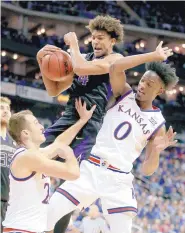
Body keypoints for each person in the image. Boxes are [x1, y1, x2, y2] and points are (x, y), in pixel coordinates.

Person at [46, 42, 178, 233]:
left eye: (149, 85)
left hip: (119, 179)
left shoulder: (158, 122)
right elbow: (115, 67)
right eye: (142, 80)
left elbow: (147, 169)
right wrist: (152, 56)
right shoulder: (124, 94)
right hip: (91, 168)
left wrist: (156, 152)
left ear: (160, 91)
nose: (142, 86)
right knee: (48, 216)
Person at [36, 15, 124, 232]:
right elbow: (53, 90)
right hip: (68, 118)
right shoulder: (80, 58)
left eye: (101, 38)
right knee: (34, 158)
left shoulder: (115, 59)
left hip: (90, 127)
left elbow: (83, 69)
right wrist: (41, 60)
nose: (95, 41)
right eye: (93, 37)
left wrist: (73, 45)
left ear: (112, 40)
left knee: (71, 185)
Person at [2, 100, 95, 233]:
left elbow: (58, 143)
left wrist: (82, 120)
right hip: (21, 229)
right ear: (26, 134)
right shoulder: (28, 157)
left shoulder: (34, 155)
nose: (41, 127)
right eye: (36, 123)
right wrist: (69, 153)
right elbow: (73, 173)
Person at [0, 97, 16, 231]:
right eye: (1, 108)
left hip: (9, 204)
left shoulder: (15, 141)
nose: (5, 111)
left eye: (7, 109)